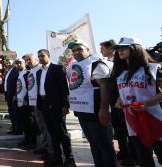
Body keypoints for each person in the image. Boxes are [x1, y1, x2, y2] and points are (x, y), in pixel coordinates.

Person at [111, 37, 162, 167]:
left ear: (136, 48)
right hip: (132, 122)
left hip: (154, 119)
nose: (120, 51)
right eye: (118, 49)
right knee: (143, 157)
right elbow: (125, 93)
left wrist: (146, 103)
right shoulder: (120, 72)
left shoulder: (154, 68)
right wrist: (119, 101)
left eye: (124, 47)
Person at [66, 39, 117, 167]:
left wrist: (104, 109)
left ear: (88, 51)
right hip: (82, 111)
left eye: (80, 49)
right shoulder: (73, 66)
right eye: (74, 50)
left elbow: (104, 86)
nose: (76, 52)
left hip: (95, 112)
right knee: (94, 143)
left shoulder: (96, 64)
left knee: (104, 144)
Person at [36, 49, 76, 167]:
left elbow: (64, 88)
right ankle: (57, 157)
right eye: (39, 56)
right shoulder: (39, 72)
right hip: (44, 104)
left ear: (48, 56)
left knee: (61, 132)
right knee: (51, 132)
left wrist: (65, 104)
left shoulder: (57, 68)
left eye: (42, 56)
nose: (40, 58)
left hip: (56, 105)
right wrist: (40, 105)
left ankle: (69, 158)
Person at [101, 40, 137, 165]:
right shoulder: (106, 62)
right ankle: (124, 150)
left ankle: (134, 155)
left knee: (129, 128)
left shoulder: (125, 62)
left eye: (103, 48)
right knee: (118, 126)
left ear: (110, 49)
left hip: (125, 99)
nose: (101, 51)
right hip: (114, 100)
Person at [25, 53, 53, 159]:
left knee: (47, 126)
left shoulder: (41, 69)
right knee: (41, 126)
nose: (28, 62)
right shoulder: (31, 71)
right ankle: (45, 146)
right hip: (34, 102)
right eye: (27, 60)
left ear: (36, 60)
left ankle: (51, 150)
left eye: (30, 60)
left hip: (42, 102)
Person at [1, 59, 22, 135]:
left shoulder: (15, 71)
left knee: (15, 113)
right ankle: (14, 128)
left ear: (13, 63)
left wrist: (15, 94)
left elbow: (18, 84)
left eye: (9, 62)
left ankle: (18, 129)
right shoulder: (8, 71)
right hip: (8, 95)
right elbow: (5, 82)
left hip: (13, 96)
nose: (8, 64)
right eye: (7, 63)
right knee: (11, 113)